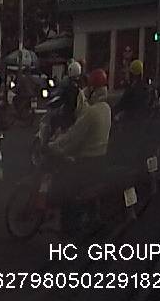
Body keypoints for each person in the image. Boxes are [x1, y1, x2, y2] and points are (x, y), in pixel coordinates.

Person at [48, 68, 112, 212]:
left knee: (64, 187)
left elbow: (73, 137)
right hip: (100, 159)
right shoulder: (106, 108)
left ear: (93, 89)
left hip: (85, 160)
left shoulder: (91, 112)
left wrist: (54, 145)